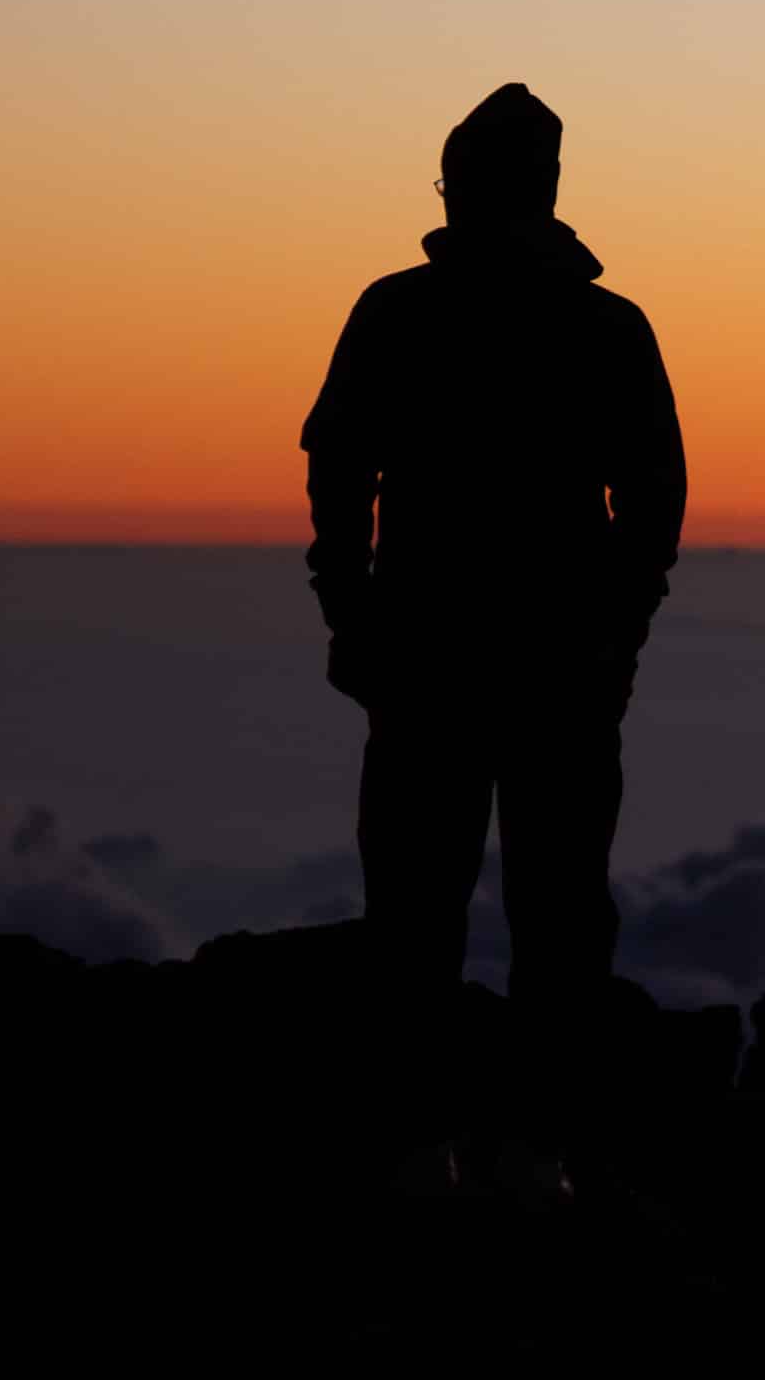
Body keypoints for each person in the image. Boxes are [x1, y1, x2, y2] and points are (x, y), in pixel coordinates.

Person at [299, 83, 686, 1030]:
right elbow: (652, 503)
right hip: (551, 664)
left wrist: (352, 616)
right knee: (552, 915)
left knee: (418, 912)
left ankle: (428, 1140)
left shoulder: (397, 313)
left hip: (435, 656)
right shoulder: (607, 327)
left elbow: (340, 474)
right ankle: (534, 1146)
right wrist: (616, 643)